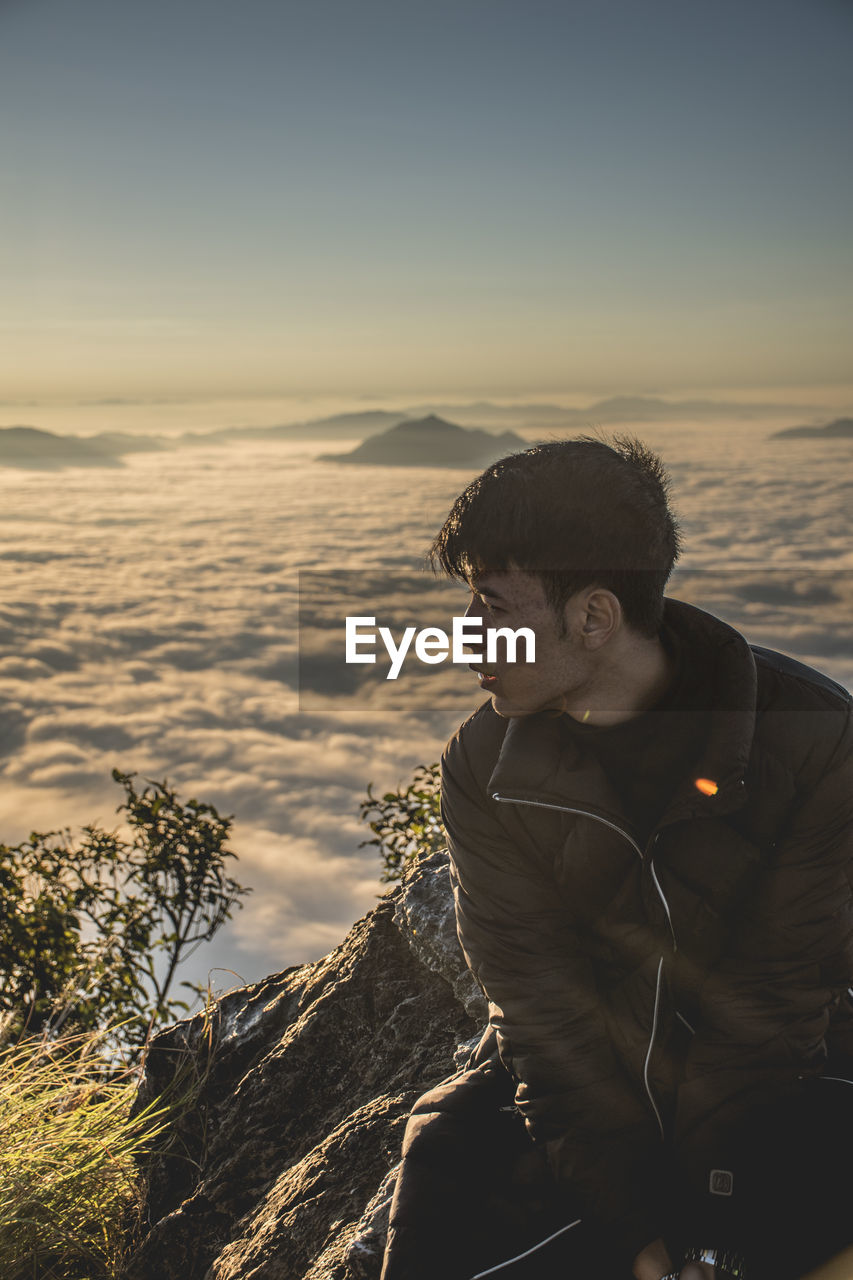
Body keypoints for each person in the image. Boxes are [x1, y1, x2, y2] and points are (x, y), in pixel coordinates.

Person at [380, 438, 853, 1280]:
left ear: (594, 617)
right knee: (441, 1185)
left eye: (491, 608)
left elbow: (772, 1004)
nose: (465, 637)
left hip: (792, 1072)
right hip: (588, 1090)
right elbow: (539, 1015)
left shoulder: (814, 740)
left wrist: (710, 1227)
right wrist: (638, 1232)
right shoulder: (482, 767)